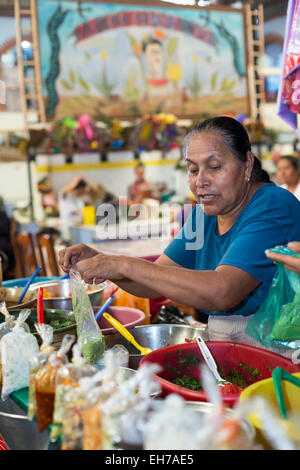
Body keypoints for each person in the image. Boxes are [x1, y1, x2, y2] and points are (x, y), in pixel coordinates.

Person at [59, 117, 300, 355]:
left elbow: (223, 291)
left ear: (247, 164)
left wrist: (123, 264)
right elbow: (153, 284)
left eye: (214, 167)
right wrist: (104, 262)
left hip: (279, 354)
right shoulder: (205, 214)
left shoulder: (273, 205)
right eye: (193, 169)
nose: (200, 181)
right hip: (233, 348)